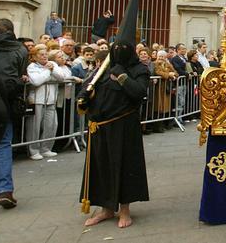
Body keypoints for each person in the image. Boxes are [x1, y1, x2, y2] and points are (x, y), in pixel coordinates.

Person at [78, 40, 150, 228]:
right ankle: (106, 208)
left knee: (123, 166)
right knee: (101, 167)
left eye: (123, 50)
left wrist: (123, 77)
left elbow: (139, 92)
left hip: (123, 126)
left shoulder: (139, 70)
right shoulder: (103, 69)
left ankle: (124, 210)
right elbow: (89, 85)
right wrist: (84, 96)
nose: (119, 53)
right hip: (100, 128)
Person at [0, 19, 27, 213]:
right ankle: (4, 190)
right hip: (4, 102)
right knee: (3, 145)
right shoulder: (20, 50)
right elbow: (18, 77)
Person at [26, 46, 71, 160]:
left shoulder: (52, 64)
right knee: (34, 127)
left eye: (45, 54)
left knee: (51, 125)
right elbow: (36, 81)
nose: (44, 56)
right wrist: (47, 72)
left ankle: (45, 148)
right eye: (41, 54)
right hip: (37, 100)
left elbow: (62, 78)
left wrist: (52, 69)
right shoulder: (32, 66)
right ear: (35, 56)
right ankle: (34, 150)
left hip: (51, 99)